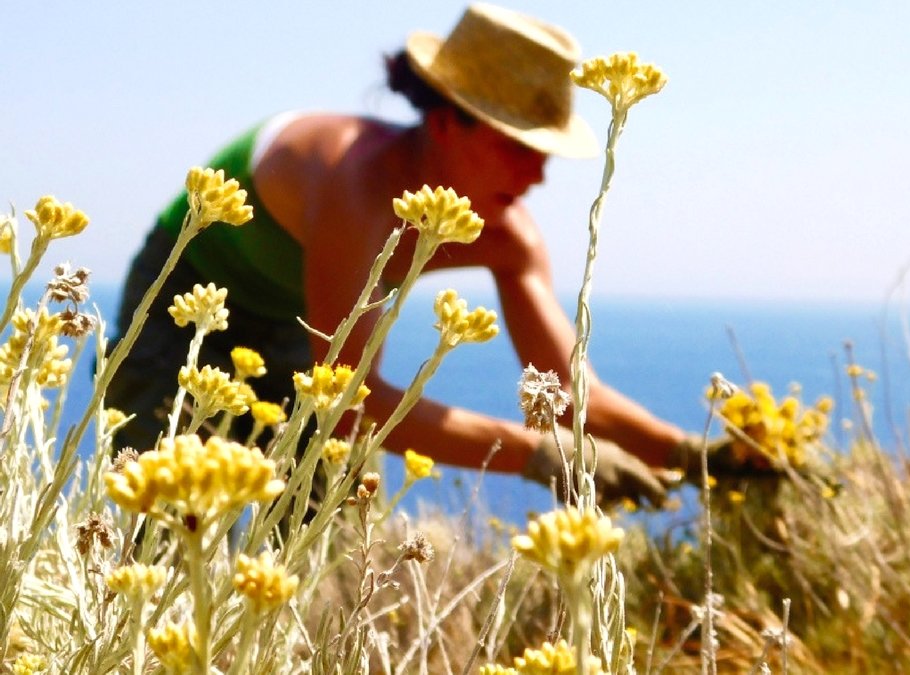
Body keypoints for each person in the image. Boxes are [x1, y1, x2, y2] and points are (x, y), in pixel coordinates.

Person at [107, 3, 717, 507]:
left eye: (545, 150)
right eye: (517, 145)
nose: (538, 174)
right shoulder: (355, 186)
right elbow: (345, 402)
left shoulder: (509, 235)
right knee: (159, 519)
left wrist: (690, 455)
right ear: (449, 122)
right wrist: (535, 453)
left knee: (322, 529)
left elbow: (569, 386)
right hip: (186, 304)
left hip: (307, 328)